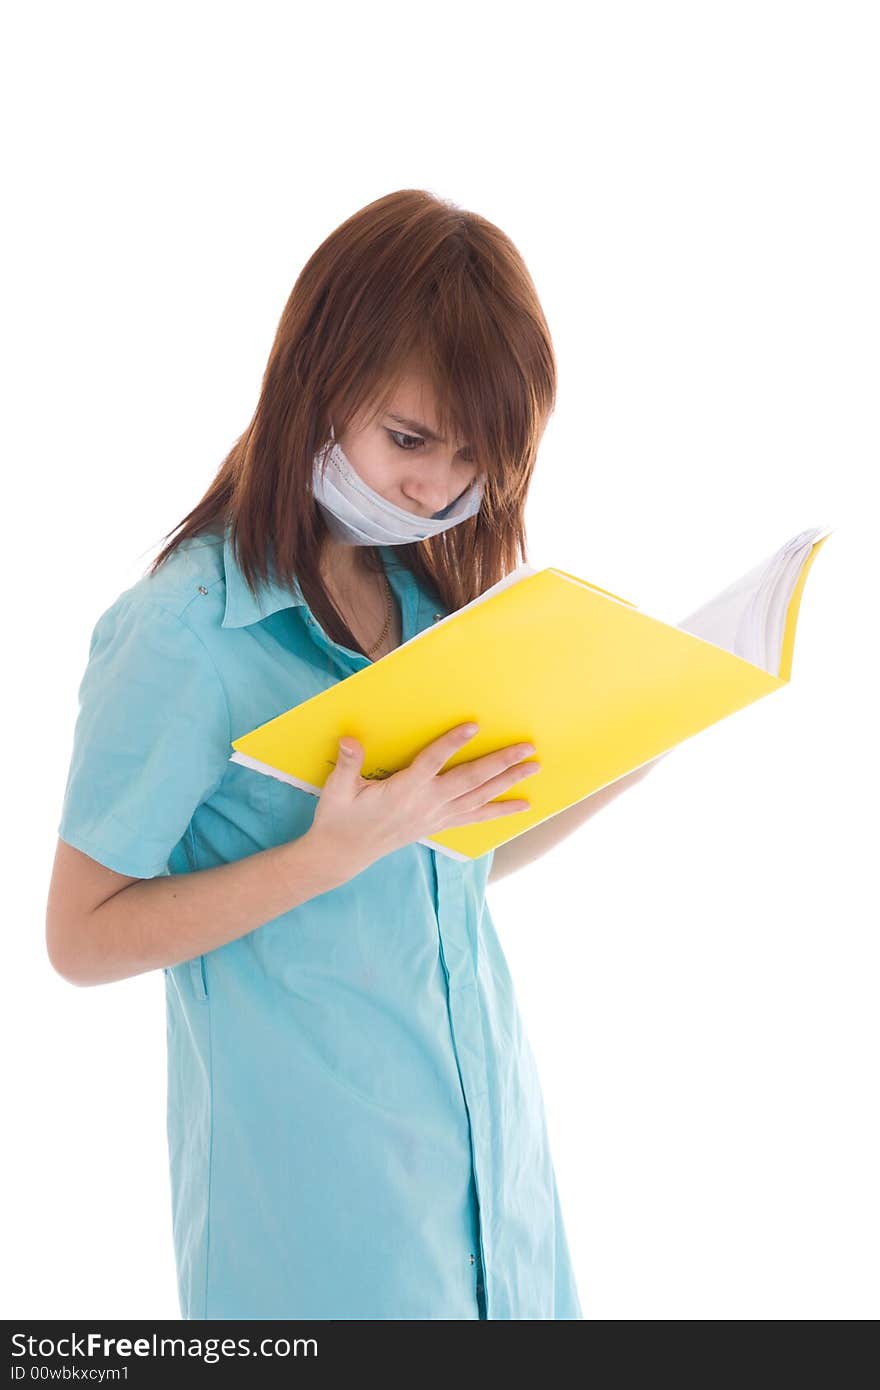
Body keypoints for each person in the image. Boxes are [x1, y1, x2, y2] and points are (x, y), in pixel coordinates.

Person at [46, 188, 587, 1320]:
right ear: (317, 380)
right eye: (408, 439)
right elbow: (80, 938)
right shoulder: (186, 630)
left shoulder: (428, 601)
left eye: (473, 458)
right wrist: (324, 856)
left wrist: (642, 737)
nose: (436, 488)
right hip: (321, 1244)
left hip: (496, 1215)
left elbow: (452, 856)